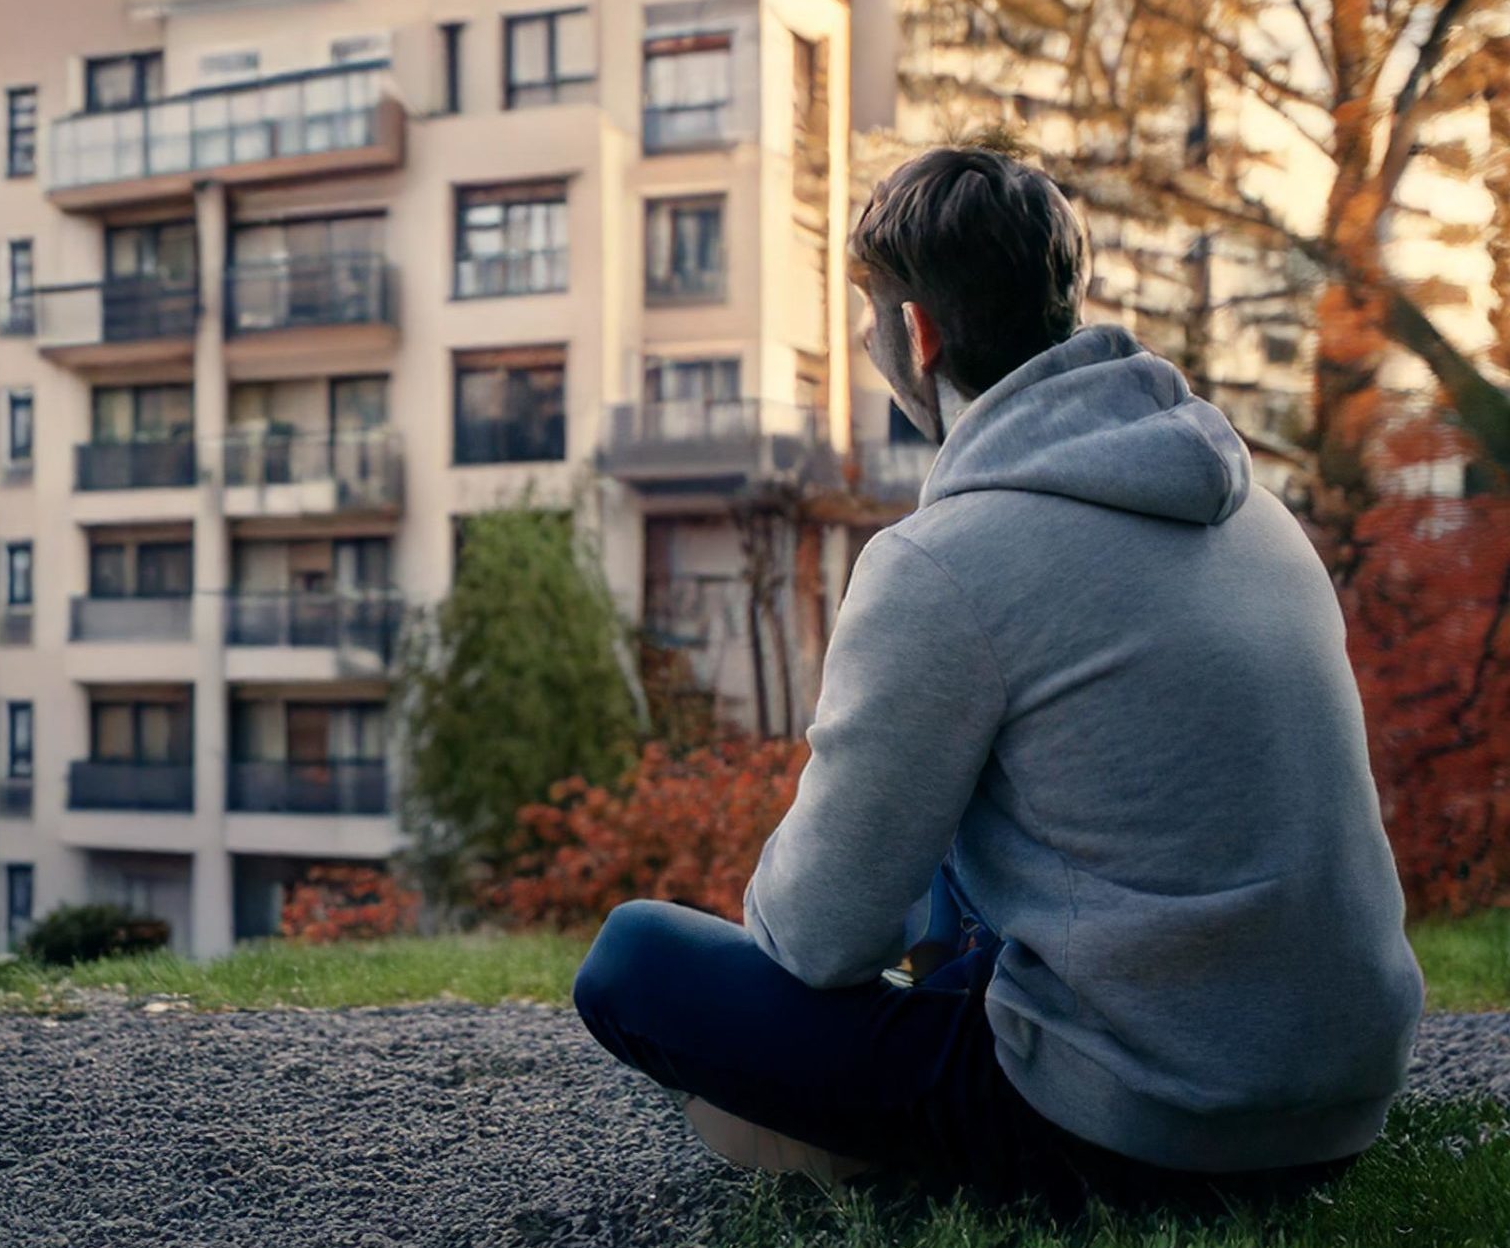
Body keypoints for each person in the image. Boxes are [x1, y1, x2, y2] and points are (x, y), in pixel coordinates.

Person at [572, 147, 1425, 1212]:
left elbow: (821, 936)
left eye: (870, 316)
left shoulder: (943, 561)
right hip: (1339, 1088)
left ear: (916, 333)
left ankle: (907, 1152)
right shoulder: (1255, 509)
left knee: (634, 955)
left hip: (1155, 1121)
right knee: (970, 797)